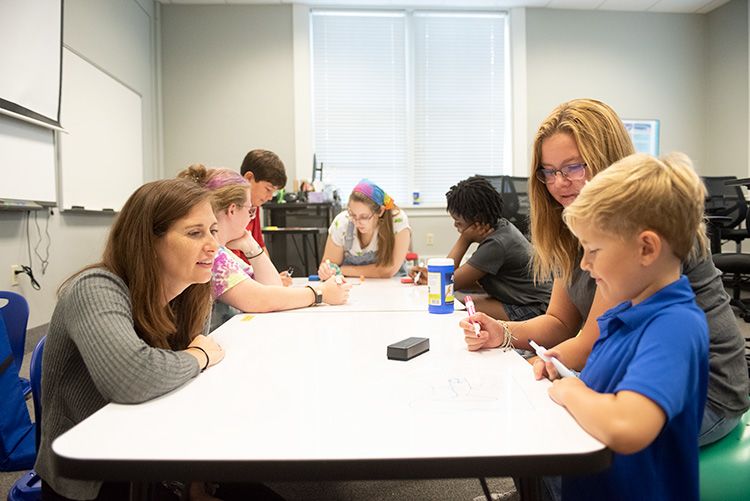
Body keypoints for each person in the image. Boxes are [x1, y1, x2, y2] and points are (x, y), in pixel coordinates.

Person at [461, 98, 749, 446]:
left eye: (572, 167)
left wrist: (550, 371)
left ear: (606, 161)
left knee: (555, 429)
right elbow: (559, 321)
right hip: (634, 371)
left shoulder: (636, 237)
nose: (559, 183)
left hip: (703, 392)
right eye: (548, 171)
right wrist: (503, 333)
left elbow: (591, 344)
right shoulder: (583, 229)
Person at [35, 179, 226, 500]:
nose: (213, 245)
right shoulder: (94, 288)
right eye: (195, 233)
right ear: (147, 241)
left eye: (213, 231)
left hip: (154, 453)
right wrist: (199, 355)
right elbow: (132, 378)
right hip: (94, 475)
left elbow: (186, 386)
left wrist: (195, 481)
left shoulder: (191, 293)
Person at [552, 152, 709, 499]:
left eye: (593, 250)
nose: (584, 263)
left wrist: (571, 391)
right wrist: (564, 373)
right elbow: (609, 389)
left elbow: (627, 424)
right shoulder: (625, 315)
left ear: (646, 249)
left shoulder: (675, 326)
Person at [178, 164, 350, 329]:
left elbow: (272, 286)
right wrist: (319, 293)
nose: (251, 217)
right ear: (232, 210)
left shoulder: (224, 253)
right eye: (250, 210)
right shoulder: (213, 255)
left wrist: (250, 246)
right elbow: (260, 299)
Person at [409, 175, 550, 320]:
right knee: (458, 300)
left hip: (535, 308)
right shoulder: (501, 227)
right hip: (525, 300)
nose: (455, 225)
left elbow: (445, 286)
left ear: (477, 219)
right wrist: (432, 277)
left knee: (457, 308)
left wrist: (464, 240)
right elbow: (462, 281)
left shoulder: (496, 244)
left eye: (458, 222)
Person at [318, 179, 411, 280]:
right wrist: (326, 270)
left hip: (392, 284)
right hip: (352, 285)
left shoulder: (397, 221)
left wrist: (342, 270)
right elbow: (330, 264)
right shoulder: (342, 223)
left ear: (380, 211)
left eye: (364, 217)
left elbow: (388, 270)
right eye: (353, 215)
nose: (357, 222)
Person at [231, 149, 292, 286]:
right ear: (248, 178)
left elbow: (260, 247)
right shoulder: (230, 210)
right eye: (268, 189)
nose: (270, 197)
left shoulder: (255, 206)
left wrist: (271, 275)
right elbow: (229, 262)